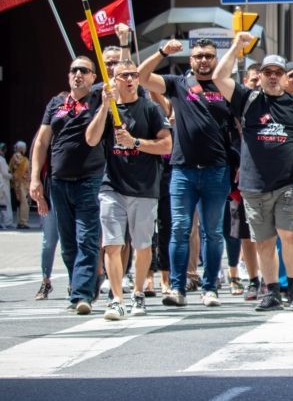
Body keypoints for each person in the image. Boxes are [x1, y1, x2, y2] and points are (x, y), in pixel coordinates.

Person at [214, 36, 293, 311]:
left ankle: (292, 287)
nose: (272, 77)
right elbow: (219, 76)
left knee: (289, 235)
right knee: (264, 241)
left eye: (277, 73)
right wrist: (236, 47)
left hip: (287, 185)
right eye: (267, 73)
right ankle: (271, 291)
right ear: (259, 76)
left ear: (283, 77)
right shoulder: (247, 99)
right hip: (254, 186)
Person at [137, 39, 232, 308]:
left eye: (209, 56)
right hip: (182, 171)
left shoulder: (226, 86)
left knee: (212, 233)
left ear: (216, 59)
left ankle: (210, 288)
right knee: (179, 229)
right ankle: (177, 288)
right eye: (199, 56)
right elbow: (142, 77)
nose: (204, 60)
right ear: (190, 60)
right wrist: (162, 52)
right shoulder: (178, 84)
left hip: (217, 170)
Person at [85, 60, 172, 320]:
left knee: (142, 244)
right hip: (112, 185)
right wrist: (103, 106)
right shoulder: (108, 108)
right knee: (112, 243)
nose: (131, 79)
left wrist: (135, 142)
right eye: (124, 75)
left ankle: (138, 293)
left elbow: (166, 145)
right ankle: (117, 299)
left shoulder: (150, 109)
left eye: (134, 74)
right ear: (114, 80)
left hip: (144, 187)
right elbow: (91, 139)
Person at [30, 56, 105, 315]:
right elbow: (41, 142)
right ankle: (82, 285)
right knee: (69, 242)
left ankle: (81, 294)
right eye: (73, 70)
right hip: (59, 182)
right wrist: (34, 178)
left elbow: (127, 75)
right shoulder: (56, 103)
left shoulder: (99, 100)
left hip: (89, 179)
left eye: (84, 71)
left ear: (94, 77)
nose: (78, 75)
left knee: (87, 238)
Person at [10, 141, 31, 230]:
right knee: (24, 204)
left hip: (24, 183)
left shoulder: (22, 157)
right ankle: (23, 222)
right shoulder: (17, 156)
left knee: (23, 203)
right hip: (20, 183)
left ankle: (21, 221)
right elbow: (17, 169)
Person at [0, 143, 11, 228]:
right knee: (5, 203)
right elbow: (5, 173)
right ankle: (7, 222)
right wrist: (13, 176)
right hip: (3, 184)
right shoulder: (1, 160)